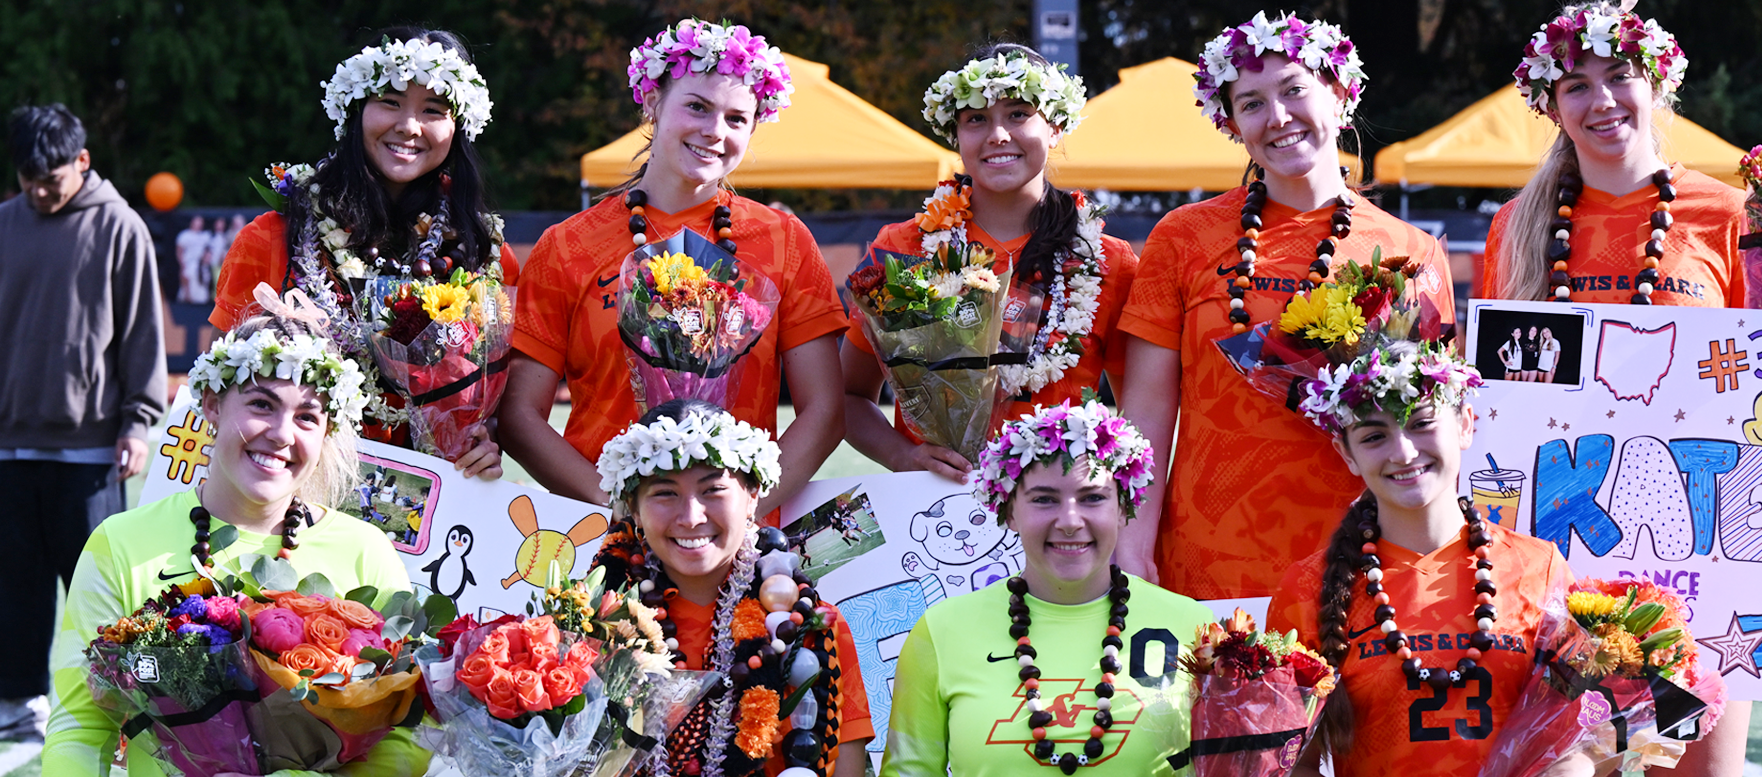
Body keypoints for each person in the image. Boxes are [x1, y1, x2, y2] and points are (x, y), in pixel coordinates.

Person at [1482, 1, 1762, 777]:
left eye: (1619, 77)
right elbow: (1493, 409)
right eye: (1576, 85)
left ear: (1659, 84)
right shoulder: (1515, 228)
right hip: (1557, 599)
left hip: (1699, 590)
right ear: (1550, 104)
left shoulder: (1732, 215)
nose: (1601, 100)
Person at [42, 288, 427, 777]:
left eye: (307, 416)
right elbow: (80, 721)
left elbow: (415, 736)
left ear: (328, 433)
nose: (281, 433)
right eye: (261, 404)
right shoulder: (122, 544)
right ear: (211, 403)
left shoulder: (365, 550)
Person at [1117, 11, 1455, 601]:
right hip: (1207, 561)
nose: (1277, 117)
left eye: (1294, 90)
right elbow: (1145, 412)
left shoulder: (1412, 249)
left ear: (1340, 94)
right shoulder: (1182, 236)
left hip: (1360, 561)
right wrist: (1132, 545)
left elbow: (1432, 423)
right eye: (1251, 103)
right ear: (1231, 123)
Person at [871, 400, 1280, 777]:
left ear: (1124, 507)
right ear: (1008, 509)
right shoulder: (941, 631)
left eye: (1092, 497)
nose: (1069, 520)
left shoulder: (1194, 629)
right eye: (1044, 499)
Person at [507, 400, 873, 777]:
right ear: (631, 507)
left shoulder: (811, 628)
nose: (691, 516)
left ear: (753, 496)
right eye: (665, 493)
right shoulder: (586, 624)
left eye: (713, 490)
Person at [1268, 341, 1596, 777]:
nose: (1403, 452)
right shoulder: (1307, 588)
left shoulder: (1541, 566)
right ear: (1346, 453)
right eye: (1374, 436)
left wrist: (1576, 768)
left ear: (1465, 424)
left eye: (1422, 424)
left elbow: (1598, 718)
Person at [498, 19, 845, 511]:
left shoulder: (786, 240)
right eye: (697, 107)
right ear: (652, 102)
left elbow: (825, 411)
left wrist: (739, 513)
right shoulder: (566, 245)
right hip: (607, 530)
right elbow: (520, 416)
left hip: (740, 537)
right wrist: (618, 507)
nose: (715, 131)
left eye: (736, 119)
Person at [214, 28, 511, 479]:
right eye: (390, 101)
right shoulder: (271, 240)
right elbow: (221, 389)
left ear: (459, 129)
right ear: (354, 111)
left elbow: (496, 406)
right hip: (294, 489)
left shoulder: (484, 254)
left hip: (433, 495)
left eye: (433, 110)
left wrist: (485, 442)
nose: (409, 126)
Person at [841, 45, 1138, 481]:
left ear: (1055, 127)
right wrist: (903, 456)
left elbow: (1141, 412)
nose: (997, 134)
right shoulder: (903, 248)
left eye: (1018, 114)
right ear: (955, 134)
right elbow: (847, 396)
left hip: (1060, 506)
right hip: (935, 505)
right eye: (976, 118)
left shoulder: (1108, 261)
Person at [1, 104, 167, 743]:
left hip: (90, 446)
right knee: (14, 585)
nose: (40, 192)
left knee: (99, 588)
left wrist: (137, 421)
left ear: (83, 162)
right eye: (28, 180)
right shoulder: (6, 224)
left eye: (52, 180)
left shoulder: (120, 227)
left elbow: (142, 333)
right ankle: (17, 701)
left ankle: (123, 704)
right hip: (10, 443)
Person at [176, 215, 212, 302]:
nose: (198, 224)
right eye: (197, 222)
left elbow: (209, 250)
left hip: (201, 266)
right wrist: (182, 264)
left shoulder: (205, 236)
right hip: (189, 264)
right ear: (192, 223)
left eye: (200, 223)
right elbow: (179, 251)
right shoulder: (184, 235)